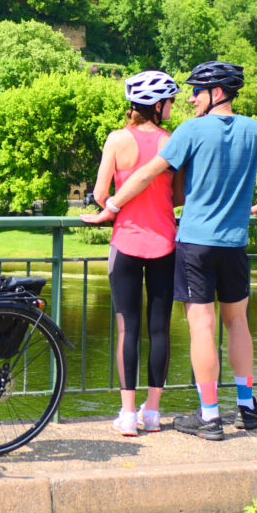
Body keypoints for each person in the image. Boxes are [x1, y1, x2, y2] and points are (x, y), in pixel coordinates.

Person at [83, 61, 257, 441]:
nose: (190, 97)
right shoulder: (256, 131)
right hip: (235, 244)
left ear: (217, 92)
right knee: (237, 324)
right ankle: (247, 407)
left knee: (202, 327)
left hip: (193, 244)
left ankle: (209, 418)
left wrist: (109, 209)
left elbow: (145, 175)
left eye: (197, 90)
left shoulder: (190, 130)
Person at [82, 71, 183, 436]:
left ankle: (127, 415)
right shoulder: (172, 142)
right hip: (164, 245)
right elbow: (179, 199)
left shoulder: (116, 139)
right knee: (160, 330)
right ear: (157, 106)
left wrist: (114, 201)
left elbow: (99, 193)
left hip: (124, 244)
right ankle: (152, 413)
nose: (172, 106)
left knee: (128, 328)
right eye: (170, 101)